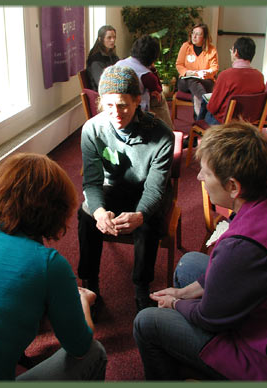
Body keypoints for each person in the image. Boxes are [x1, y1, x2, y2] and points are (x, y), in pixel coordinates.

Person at [133, 121, 267, 381]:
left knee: (148, 321)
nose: (199, 177)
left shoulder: (242, 246)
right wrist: (185, 292)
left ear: (233, 187)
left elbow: (208, 318)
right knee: (190, 263)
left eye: (206, 173)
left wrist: (176, 303)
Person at [0, 153, 107, 381]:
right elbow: (80, 346)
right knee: (95, 353)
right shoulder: (49, 264)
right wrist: (83, 301)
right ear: (57, 211)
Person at [77, 65, 174, 314]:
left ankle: (141, 286)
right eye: (109, 106)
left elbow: (155, 189)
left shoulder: (161, 135)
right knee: (86, 212)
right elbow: (92, 181)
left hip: (147, 191)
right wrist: (99, 211)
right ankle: (91, 283)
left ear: (137, 101)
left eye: (123, 105)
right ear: (101, 103)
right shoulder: (92, 129)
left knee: (148, 222)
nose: (116, 113)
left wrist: (140, 215)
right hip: (115, 187)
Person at [198, 36, 265, 125]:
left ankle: (195, 134)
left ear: (236, 52)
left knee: (205, 102)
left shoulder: (226, 75)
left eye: (231, 50)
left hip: (225, 122)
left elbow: (213, 107)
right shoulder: (259, 76)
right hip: (249, 122)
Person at [116, 35, 174, 129]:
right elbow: (158, 89)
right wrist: (154, 70)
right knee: (160, 98)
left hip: (118, 103)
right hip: (136, 111)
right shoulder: (146, 75)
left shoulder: (120, 63)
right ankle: (168, 129)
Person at [175, 23, 219, 119]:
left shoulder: (211, 49)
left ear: (204, 37)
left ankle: (199, 118)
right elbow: (179, 64)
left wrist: (206, 72)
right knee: (192, 81)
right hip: (185, 80)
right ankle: (205, 106)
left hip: (205, 80)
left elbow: (214, 68)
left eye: (198, 34)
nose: (194, 36)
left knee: (196, 88)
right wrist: (188, 72)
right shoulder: (186, 46)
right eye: (193, 33)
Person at [86, 25, 119, 91]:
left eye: (114, 37)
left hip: (112, 88)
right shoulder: (95, 59)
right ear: (100, 39)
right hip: (102, 94)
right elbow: (101, 83)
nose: (112, 40)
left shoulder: (112, 55)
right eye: (109, 38)